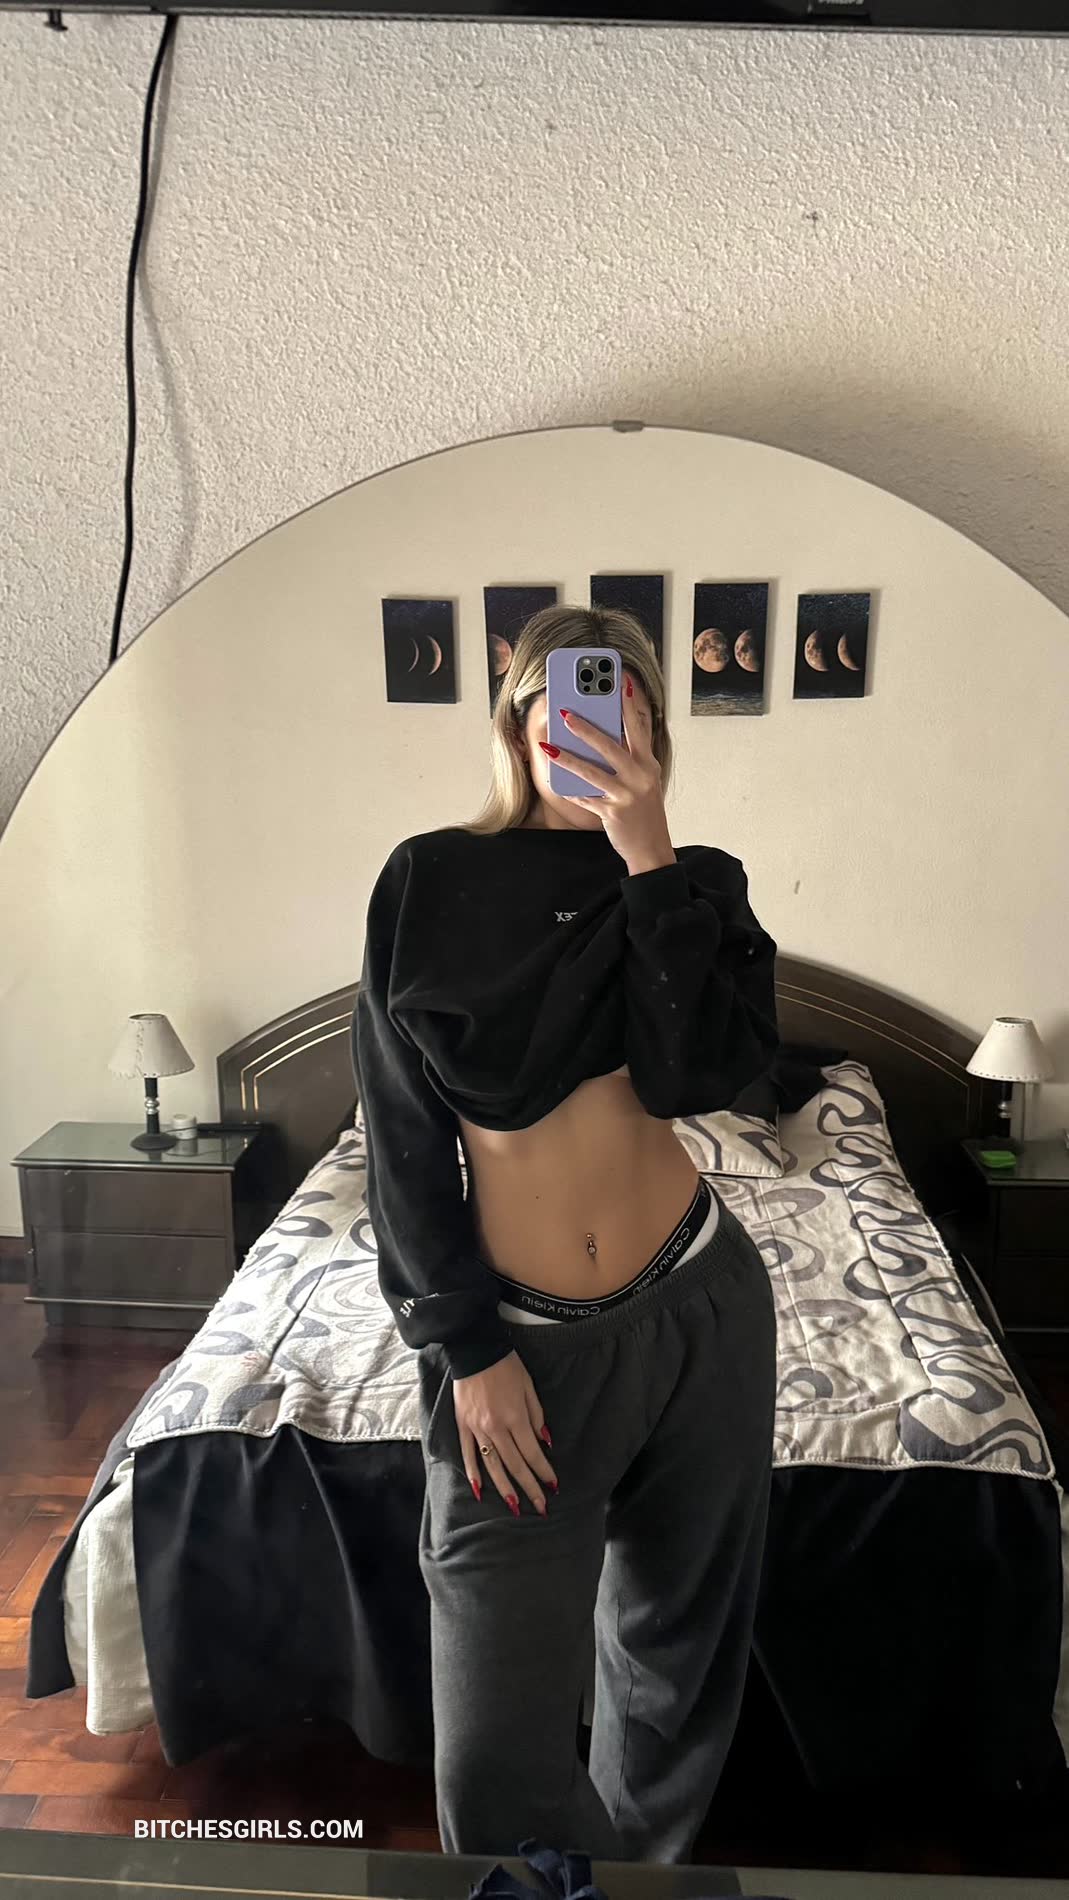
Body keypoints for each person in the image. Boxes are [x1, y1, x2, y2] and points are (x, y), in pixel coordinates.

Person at [352, 604, 780, 1865]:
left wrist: (648, 860)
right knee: (492, 1763)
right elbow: (400, 1139)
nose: (589, 720)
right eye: (563, 696)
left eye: (621, 696)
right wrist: (466, 1349)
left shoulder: (697, 884)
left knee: (674, 1672)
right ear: (517, 720)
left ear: (652, 724)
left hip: (701, 1310)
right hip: (517, 1350)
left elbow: (700, 1076)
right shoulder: (426, 881)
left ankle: (639, 1884)